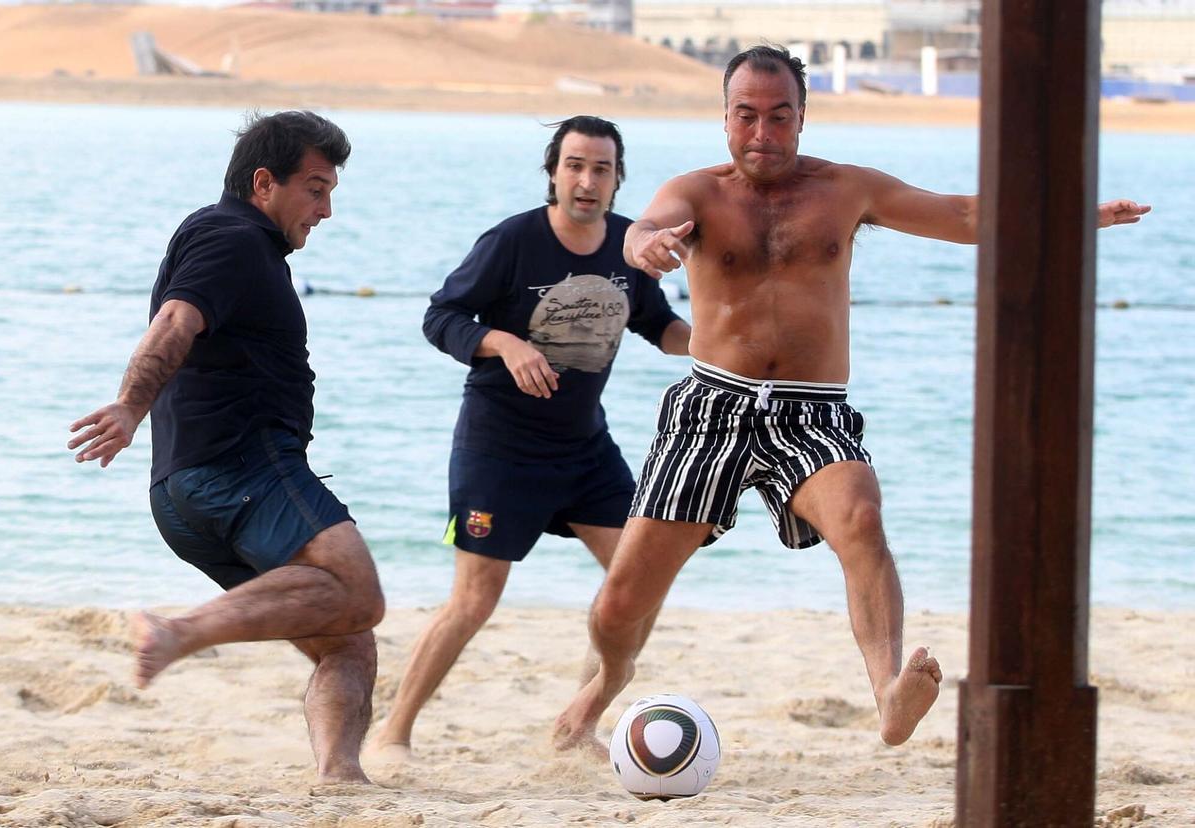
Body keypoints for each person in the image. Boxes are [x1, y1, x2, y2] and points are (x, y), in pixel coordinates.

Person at [552, 46, 1151, 752]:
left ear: (802, 118)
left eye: (779, 117)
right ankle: (609, 679)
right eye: (747, 116)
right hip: (712, 406)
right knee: (620, 605)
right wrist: (647, 248)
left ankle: (888, 694)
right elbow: (644, 229)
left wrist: (1077, 216)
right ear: (725, 119)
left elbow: (961, 214)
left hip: (813, 411)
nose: (762, 134)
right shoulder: (700, 192)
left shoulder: (845, 190)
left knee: (861, 517)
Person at [67, 111, 385, 784]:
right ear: (263, 183)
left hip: (183, 495)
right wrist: (129, 405)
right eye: (316, 189)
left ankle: (340, 778)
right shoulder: (233, 237)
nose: (326, 211)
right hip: (241, 468)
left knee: (349, 637)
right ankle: (178, 633)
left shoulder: (233, 242)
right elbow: (176, 321)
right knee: (359, 588)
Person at [368, 116, 691, 759]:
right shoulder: (513, 241)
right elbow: (442, 316)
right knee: (475, 599)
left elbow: (660, 327)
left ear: (618, 179)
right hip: (499, 447)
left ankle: (582, 718)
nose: (586, 180)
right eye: (574, 165)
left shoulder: (630, 247)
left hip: (584, 449)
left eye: (601, 168)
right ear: (553, 172)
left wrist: (729, 345)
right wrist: (505, 341)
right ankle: (393, 732)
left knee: (642, 580)